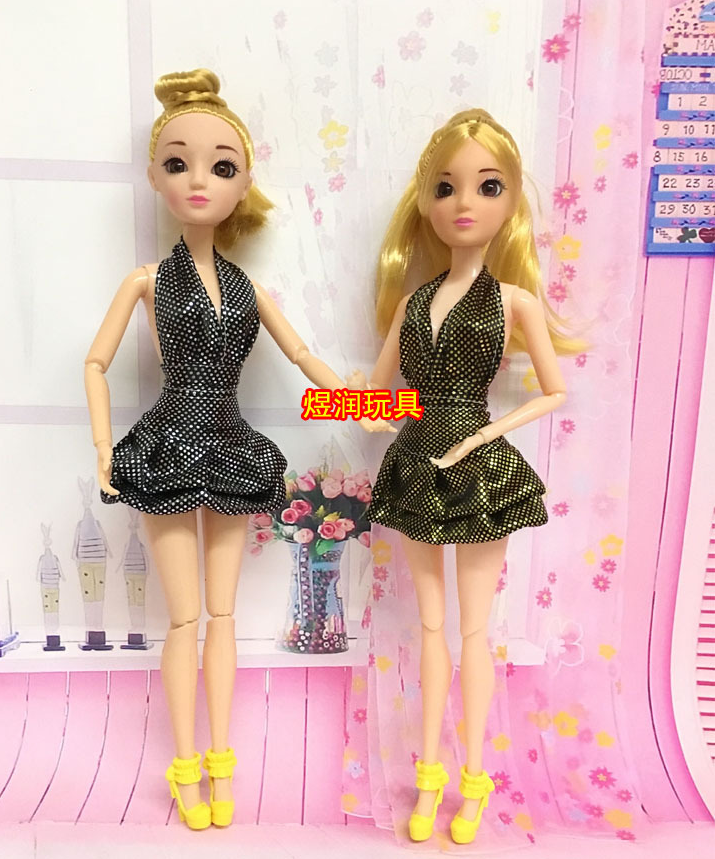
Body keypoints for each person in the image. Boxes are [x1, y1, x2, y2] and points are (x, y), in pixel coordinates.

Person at [84, 68, 390, 831]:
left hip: (226, 443)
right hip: (166, 444)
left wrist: (366, 405)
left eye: (221, 167)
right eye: (178, 162)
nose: (199, 181)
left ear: (244, 183)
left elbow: (306, 360)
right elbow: (94, 363)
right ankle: (184, 764)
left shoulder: (249, 289)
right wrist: (103, 447)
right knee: (183, 619)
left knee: (221, 616)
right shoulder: (147, 280)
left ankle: (223, 760)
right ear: (155, 176)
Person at [354, 109, 582, 844]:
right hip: (419, 464)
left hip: (481, 469)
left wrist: (486, 432)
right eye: (446, 187)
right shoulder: (413, 302)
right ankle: (429, 778)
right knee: (430, 628)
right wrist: (354, 406)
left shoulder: (514, 302)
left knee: (475, 630)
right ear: (425, 202)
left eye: (487, 186)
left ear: (510, 202)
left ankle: (474, 780)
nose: (464, 203)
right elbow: (378, 393)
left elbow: (553, 390)